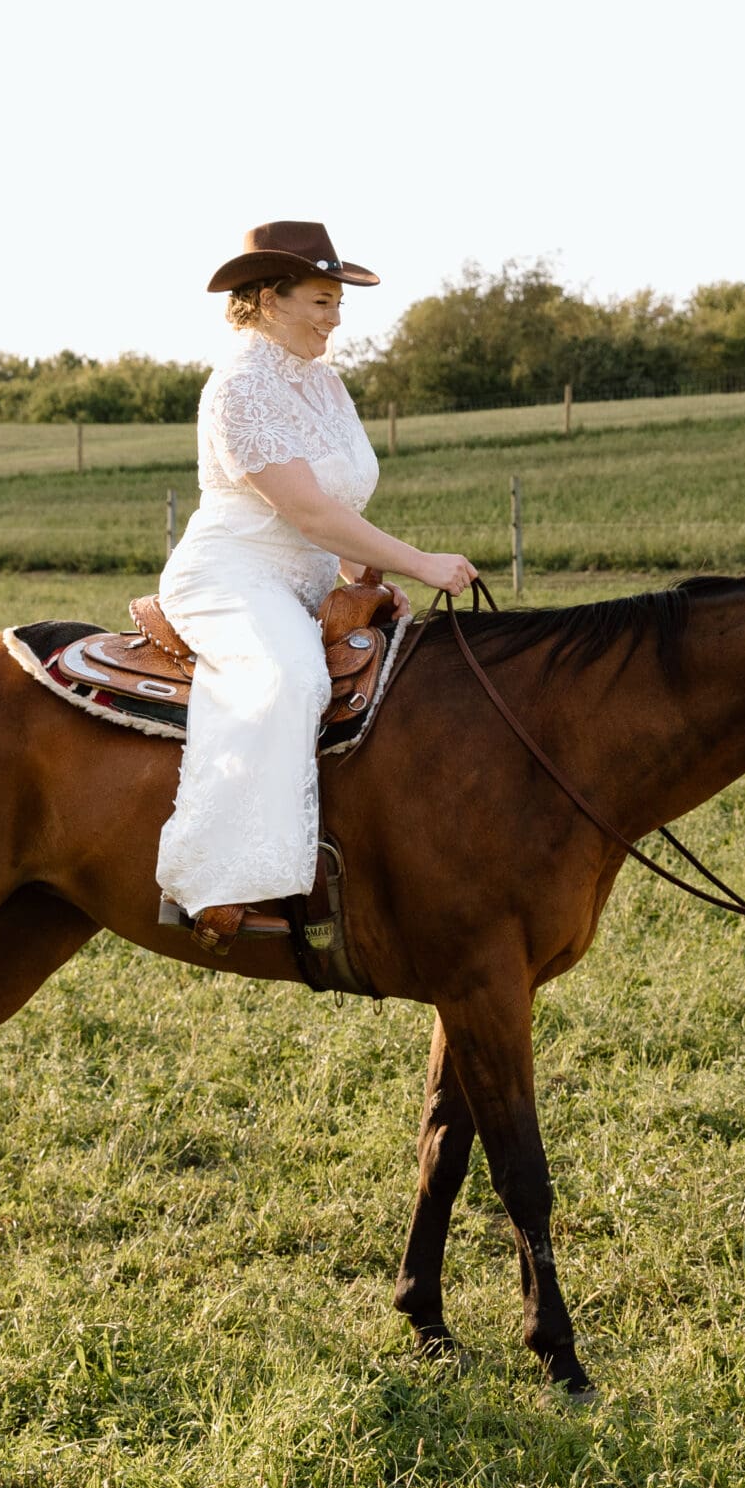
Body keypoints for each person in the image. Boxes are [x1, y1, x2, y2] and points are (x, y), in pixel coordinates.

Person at [154, 221, 477, 949]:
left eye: (339, 304)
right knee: (290, 675)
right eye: (322, 301)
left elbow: (331, 512)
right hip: (233, 576)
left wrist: (356, 571)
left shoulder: (323, 383)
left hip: (300, 578)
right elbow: (303, 508)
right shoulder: (239, 385)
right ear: (269, 299)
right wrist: (422, 561)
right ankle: (216, 884)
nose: (336, 319)